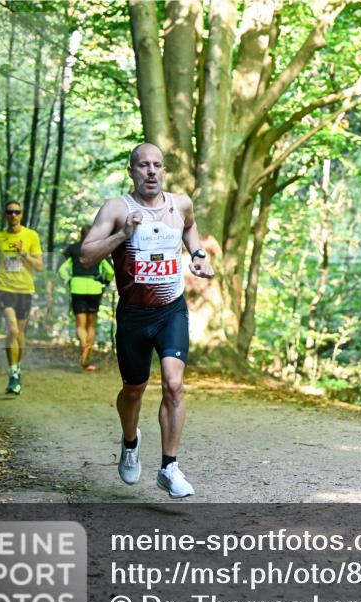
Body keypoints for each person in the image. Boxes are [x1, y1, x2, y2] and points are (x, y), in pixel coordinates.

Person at [81, 143, 214, 498]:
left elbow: (190, 227)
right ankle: (130, 442)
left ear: (164, 171)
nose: (151, 171)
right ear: (131, 172)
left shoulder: (180, 204)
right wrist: (122, 235)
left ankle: (169, 467)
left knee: (174, 384)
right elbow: (86, 255)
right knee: (133, 391)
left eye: (157, 165)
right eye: (143, 165)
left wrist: (198, 254)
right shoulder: (116, 209)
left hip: (171, 310)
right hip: (133, 316)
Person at [0, 200, 43, 395]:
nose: (13, 215)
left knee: (20, 333)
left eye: (17, 212)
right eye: (10, 212)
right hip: (4, 288)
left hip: (25, 289)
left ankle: (17, 369)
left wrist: (24, 254)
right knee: (12, 329)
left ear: (22, 214)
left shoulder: (31, 236)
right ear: (5, 215)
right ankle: (12, 374)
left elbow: (40, 266)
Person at [58, 224, 115, 371]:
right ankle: (86, 355)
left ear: (80, 234)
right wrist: (105, 281)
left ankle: (83, 344)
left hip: (77, 287)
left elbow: (61, 268)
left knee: (80, 324)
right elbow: (110, 271)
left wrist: (69, 280)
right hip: (94, 288)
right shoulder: (99, 248)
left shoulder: (72, 249)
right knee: (91, 324)